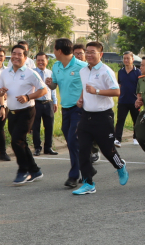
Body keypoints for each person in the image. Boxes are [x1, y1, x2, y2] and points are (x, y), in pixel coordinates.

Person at [72, 41, 129, 195]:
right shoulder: (83, 71)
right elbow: (86, 88)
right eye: (87, 52)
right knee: (83, 149)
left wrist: (96, 91)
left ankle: (120, 166)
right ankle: (88, 183)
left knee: (108, 150)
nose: (89, 55)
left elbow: (116, 92)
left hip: (103, 116)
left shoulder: (106, 71)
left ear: (100, 54)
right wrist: (81, 98)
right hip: (86, 115)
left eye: (92, 52)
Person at [0, 44, 49, 185]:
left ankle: (23, 170)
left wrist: (28, 97)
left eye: (20, 54)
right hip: (11, 113)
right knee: (21, 142)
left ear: (25, 57)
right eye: (14, 53)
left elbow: (43, 90)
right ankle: (35, 170)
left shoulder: (31, 73)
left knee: (16, 141)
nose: (16, 56)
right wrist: (1, 93)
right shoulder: (5, 72)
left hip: (27, 112)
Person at [48, 39, 85, 189]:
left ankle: (74, 175)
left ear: (60, 51)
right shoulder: (56, 65)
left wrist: (82, 99)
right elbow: (54, 84)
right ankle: (87, 166)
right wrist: (50, 83)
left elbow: (90, 84)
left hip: (80, 109)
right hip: (66, 108)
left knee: (72, 139)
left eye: (54, 49)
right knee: (71, 139)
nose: (53, 51)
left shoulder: (82, 66)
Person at [31, 52, 58, 157]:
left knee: (49, 126)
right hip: (36, 103)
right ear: (36, 61)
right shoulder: (32, 73)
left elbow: (53, 89)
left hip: (48, 103)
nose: (40, 62)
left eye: (43, 60)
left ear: (47, 61)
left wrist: (55, 101)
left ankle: (48, 147)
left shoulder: (50, 73)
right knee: (36, 127)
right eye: (38, 60)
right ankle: (37, 148)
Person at [114, 51, 140, 147]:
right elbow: (119, 85)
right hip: (123, 101)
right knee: (120, 120)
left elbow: (140, 86)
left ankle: (136, 137)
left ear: (132, 59)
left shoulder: (138, 72)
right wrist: (118, 97)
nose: (126, 60)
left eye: (128, 58)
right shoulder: (120, 72)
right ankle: (117, 139)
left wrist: (139, 99)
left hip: (134, 101)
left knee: (136, 120)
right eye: (124, 58)